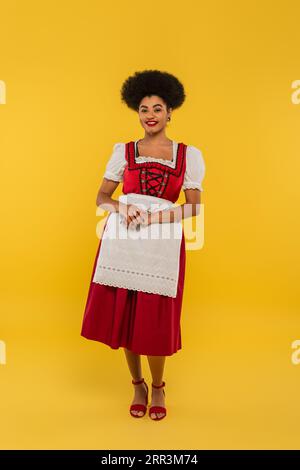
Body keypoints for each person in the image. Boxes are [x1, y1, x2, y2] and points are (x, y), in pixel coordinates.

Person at [81, 69, 206, 420]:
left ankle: (158, 386)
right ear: (137, 113)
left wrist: (155, 218)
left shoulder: (187, 155)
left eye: (157, 108)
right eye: (144, 109)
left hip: (162, 242)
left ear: (170, 113)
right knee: (127, 313)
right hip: (124, 238)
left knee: (154, 316)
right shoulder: (123, 152)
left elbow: (194, 206)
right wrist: (124, 207)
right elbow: (101, 197)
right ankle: (136, 383)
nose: (150, 115)